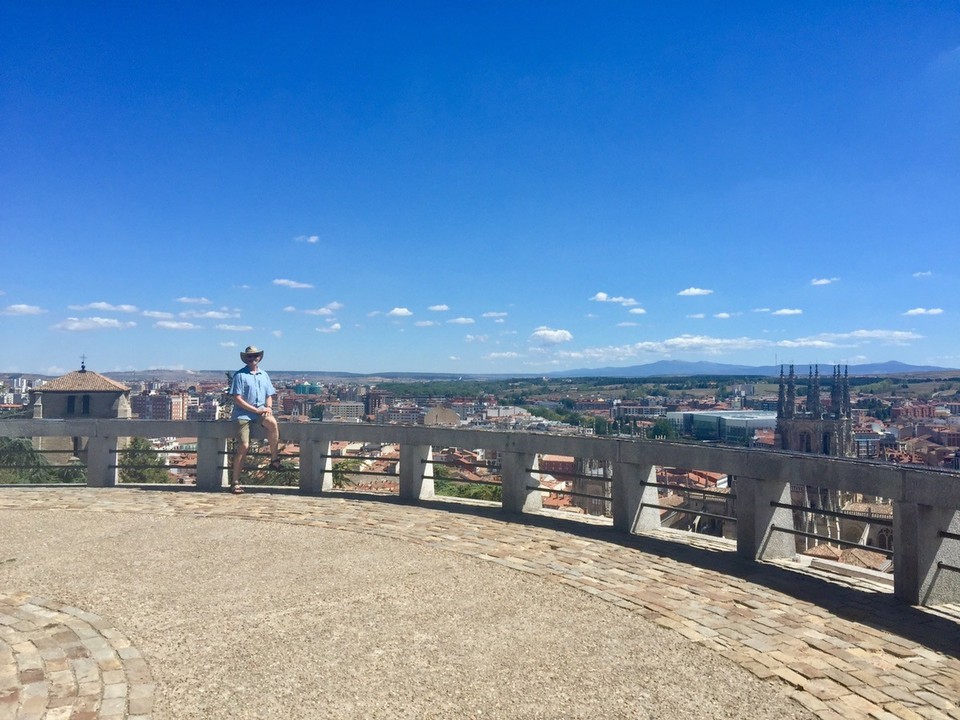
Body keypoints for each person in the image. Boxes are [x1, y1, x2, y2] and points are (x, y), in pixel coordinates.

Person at [230, 345, 280, 493]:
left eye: (255, 356)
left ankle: (274, 459)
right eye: (250, 357)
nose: (253, 359)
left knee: (273, 424)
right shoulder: (239, 375)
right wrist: (255, 410)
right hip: (243, 414)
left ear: (259, 358)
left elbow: (269, 395)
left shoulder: (264, 375)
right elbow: (237, 399)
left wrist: (268, 407)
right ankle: (235, 482)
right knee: (244, 446)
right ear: (246, 359)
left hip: (260, 412)